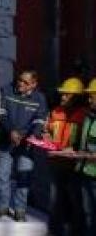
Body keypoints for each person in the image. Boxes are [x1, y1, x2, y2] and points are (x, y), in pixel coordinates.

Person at [0, 69, 48, 221]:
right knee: (3, 176)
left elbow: (40, 119)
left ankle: (20, 210)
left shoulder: (40, 98)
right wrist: (11, 131)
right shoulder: (7, 90)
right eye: (20, 80)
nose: (20, 83)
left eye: (25, 82)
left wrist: (30, 135)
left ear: (34, 84)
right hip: (4, 139)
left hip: (26, 144)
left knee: (24, 177)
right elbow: (1, 113)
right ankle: (3, 207)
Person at [47, 76, 88, 235]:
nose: (63, 97)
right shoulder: (56, 111)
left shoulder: (84, 116)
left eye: (67, 94)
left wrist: (73, 150)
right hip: (57, 163)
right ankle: (55, 231)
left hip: (75, 166)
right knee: (55, 200)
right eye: (62, 94)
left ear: (77, 97)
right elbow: (49, 132)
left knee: (76, 202)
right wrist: (46, 137)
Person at [75, 78, 96, 235]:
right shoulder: (89, 117)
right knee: (87, 214)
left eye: (92, 96)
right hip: (85, 172)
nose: (89, 99)